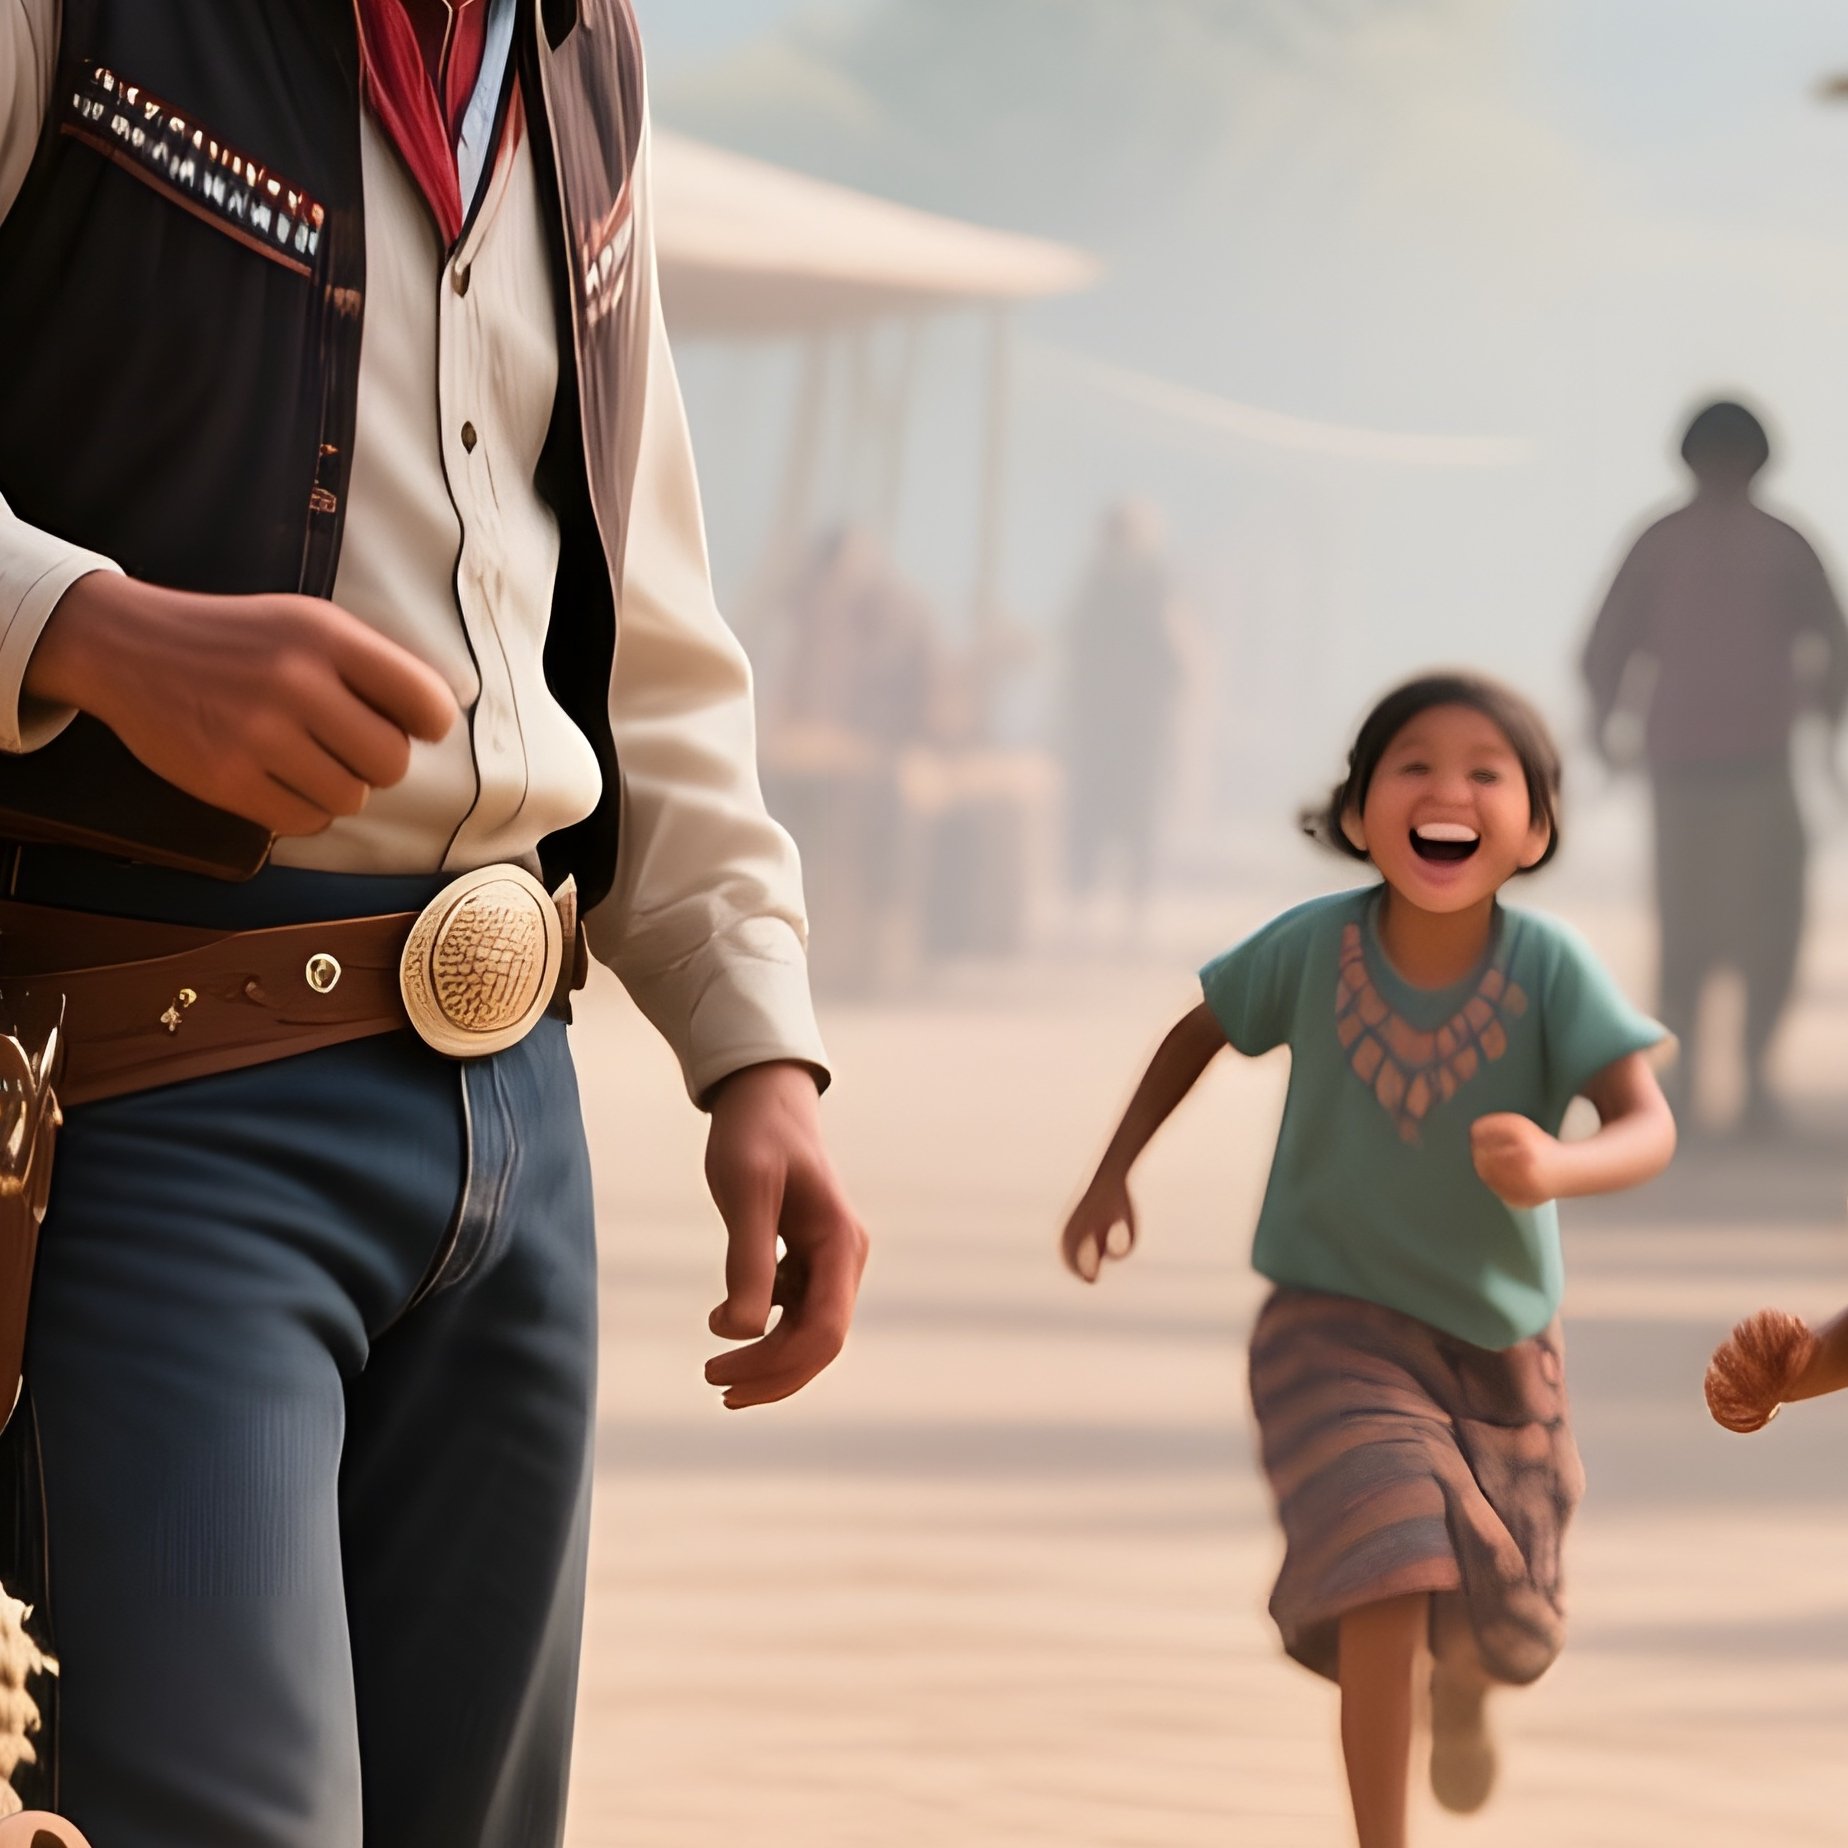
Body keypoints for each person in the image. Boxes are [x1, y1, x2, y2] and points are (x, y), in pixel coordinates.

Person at [0, 3, 867, 1844]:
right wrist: (85, 626)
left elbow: (641, 607)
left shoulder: (571, 50)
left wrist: (752, 1038)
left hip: (518, 1131)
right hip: (135, 1103)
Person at [1059, 674, 1675, 1848]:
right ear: (1358, 813)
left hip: (1497, 1348)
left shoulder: (1550, 969)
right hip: (1329, 1326)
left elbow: (1648, 1124)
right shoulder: (1312, 947)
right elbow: (1201, 1028)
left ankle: (1469, 1688)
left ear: (1536, 828)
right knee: (1389, 1546)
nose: (1449, 791)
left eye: (1487, 772)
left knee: (1503, 1608)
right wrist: (1111, 1171)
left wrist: (1557, 1165)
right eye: (1416, 766)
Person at [1582, 399, 1848, 1137]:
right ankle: (1693, 1078)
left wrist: (1827, 734)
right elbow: (1611, 643)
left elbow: (1832, 641)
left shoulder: (1781, 545)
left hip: (1757, 765)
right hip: (1689, 771)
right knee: (1689, 928)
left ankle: (1754, 1074)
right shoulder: (1666, 544)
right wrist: (1606, 723)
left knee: (1769, 927)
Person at [1059, 500, 1188, 925]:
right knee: (1091, 817)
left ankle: (1133, 914)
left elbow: (1179, 654)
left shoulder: (1156, 586)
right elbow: (1076, 652)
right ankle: (1085, 908)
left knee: (1139, 818)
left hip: (1140, 726)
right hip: (1100, 723)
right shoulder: (1095, 585)